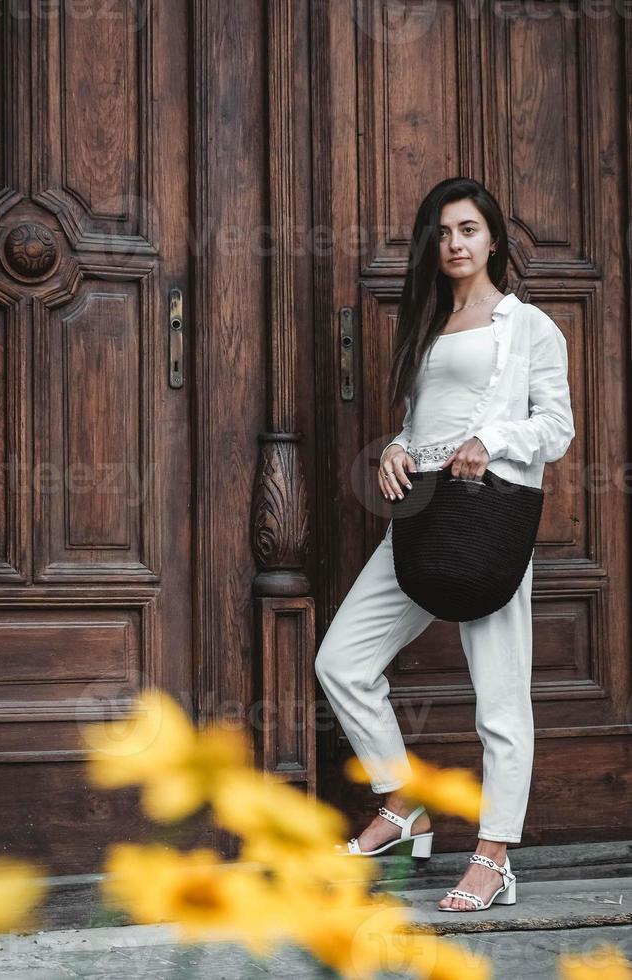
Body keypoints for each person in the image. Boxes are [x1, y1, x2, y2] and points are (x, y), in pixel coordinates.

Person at [314, 177, 575, 912]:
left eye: (466, 229)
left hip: (486, 516)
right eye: (441, 232)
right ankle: (403, 804)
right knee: (341, 661)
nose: (454, 244)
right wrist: (398, 447)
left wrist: (490, 439)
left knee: (499, 698)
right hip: (422, 509)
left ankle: (493, 856)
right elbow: (426, 417)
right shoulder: (427, 324)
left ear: (492, 237)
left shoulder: (527, 328)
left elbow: (555, 429)